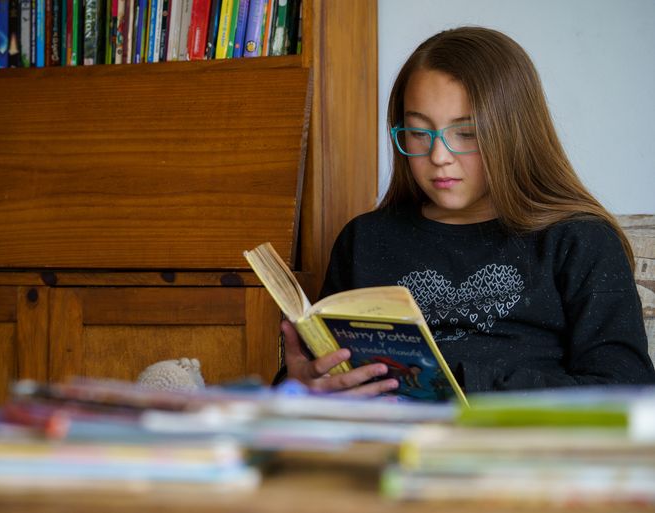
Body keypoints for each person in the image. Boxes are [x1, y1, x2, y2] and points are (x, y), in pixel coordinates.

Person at [278, 26, 655, 395]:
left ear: (514, 133)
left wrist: (460, 386)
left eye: (467, 133)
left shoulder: (579, 240)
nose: (439, 157)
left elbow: (627, 386)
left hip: (517, 447)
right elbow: (317, 372)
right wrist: (298, 383)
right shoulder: (365, 239)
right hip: (382, 444)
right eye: (419, 133)